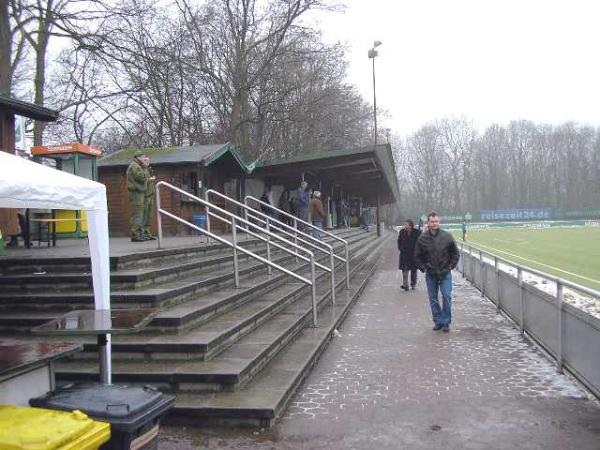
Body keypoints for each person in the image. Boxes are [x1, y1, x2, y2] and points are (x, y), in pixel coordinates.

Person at [414, 211, 460, 332]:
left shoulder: (447, 236)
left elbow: (455, 253)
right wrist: (423, 268)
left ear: (439, 222)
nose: (434, 223)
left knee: (446, 296)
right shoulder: (422, 238)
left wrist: (451, 265)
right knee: (433, 299)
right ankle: (438, 321)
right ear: (428, 223)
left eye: (436, 221)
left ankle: (446, 322)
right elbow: (417, 256)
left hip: (445, 272)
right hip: (431, 274)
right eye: (432, 221)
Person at [126, 150, 153, 242]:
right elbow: (141, 178)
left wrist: (146, 167)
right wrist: (146, 168)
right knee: (138, 214)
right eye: (143, 157)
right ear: (138, 157)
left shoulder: (138, 166)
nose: (145, 159)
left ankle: (142, 233)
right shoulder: (135, 166)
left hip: (141, 192)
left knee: (143, 214)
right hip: (136, 193)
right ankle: (135, 234)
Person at [397, 219, 421, 291]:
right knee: (404, 270)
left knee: (413, 270)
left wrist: (418, 251)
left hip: (413, 254)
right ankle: (405, 285)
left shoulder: (417, 232)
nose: (405, 226)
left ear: (411, 225)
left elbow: (420, 242)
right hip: (404, 254)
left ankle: (413, 284)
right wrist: (400, 248)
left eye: (407, 225)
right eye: (405, 225)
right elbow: (399, 241)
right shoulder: (402, 232)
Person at [142, 162, 157, 240]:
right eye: (145, 161)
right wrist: (150, 179)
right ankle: (142, 233)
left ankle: (147, 233)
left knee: (149, 216)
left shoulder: (149, 170)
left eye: (148, 161)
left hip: (150, 195)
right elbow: (141, 181)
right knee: (144, 215)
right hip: (145, 195)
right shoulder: (142, 170)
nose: (147, 163)